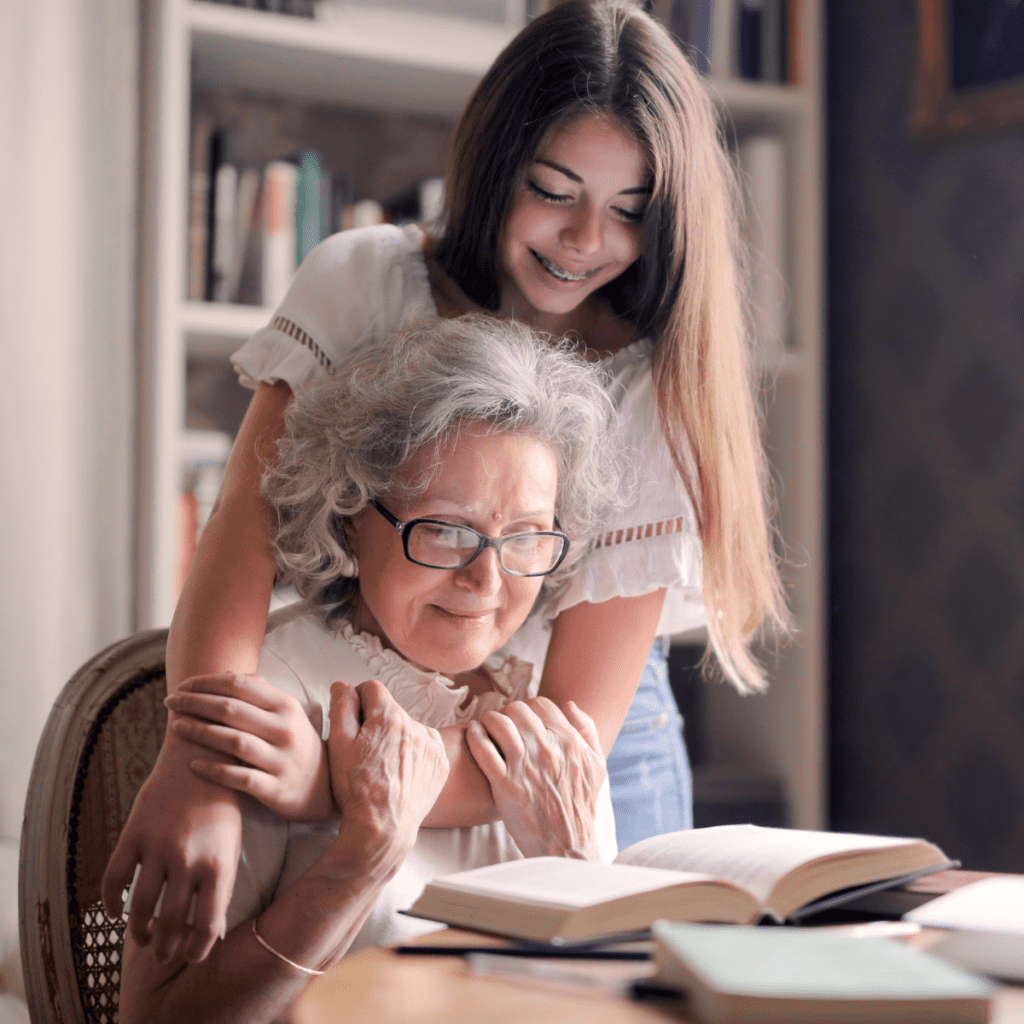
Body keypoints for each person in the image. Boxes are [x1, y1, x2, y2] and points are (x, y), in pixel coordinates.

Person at [103, 0, 788, 966]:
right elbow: (239, 544)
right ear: (493, 163)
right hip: (365, 693)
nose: (587, 240)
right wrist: (197, 763)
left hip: (574, 748)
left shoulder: (652, 385)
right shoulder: (366, 283)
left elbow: (575, 728)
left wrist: (327, 785)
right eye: (554, 190)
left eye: (630, 211)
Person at [119, 317, 617, 1023]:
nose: (487, 580)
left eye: (527, 538)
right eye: (446, 529)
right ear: (350, 515)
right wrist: (360, 864)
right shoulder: (269, 697)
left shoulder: (546, 723)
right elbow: (156, 1018)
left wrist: (572, 867)